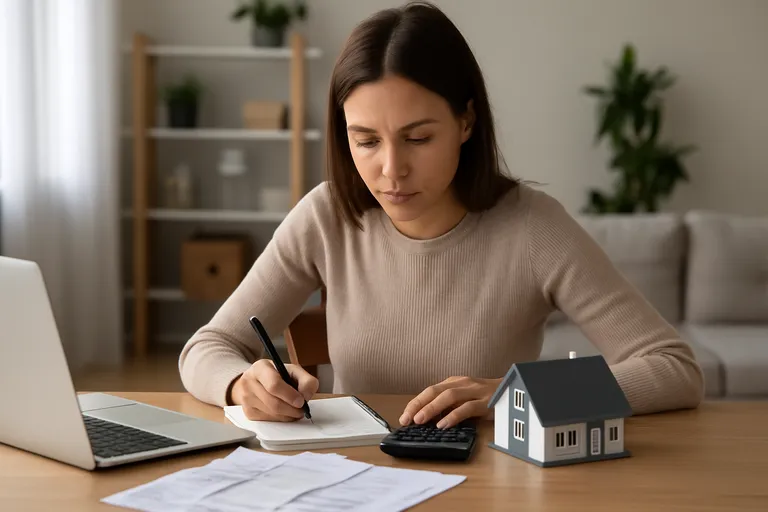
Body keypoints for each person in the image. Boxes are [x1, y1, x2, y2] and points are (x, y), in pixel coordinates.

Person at [178, 1, 704, 429]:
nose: (391, 170)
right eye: (365, 141)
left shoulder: (534, 227)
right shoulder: (326, 216)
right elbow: (208, 347)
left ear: (467, 121)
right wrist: (240, 384)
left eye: (419, 138)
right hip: (358, 477)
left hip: (496, 479)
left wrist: (514, 394)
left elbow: (674, 369)